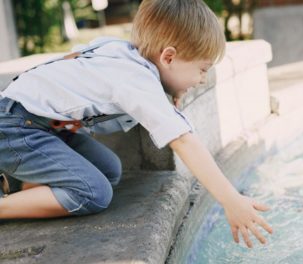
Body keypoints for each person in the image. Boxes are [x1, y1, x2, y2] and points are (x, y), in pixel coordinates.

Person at [0, 0, 273, 248]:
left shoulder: (122, 52)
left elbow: (73, 58)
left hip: (37, 123)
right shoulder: (137, 79)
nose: (202, 80)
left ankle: (13, 183)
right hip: (16, 127)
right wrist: (230, 200)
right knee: (93, 193)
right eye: (202, 69)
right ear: (168, 57)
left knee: (109, 170)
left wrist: (173, 88)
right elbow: (184, 140)